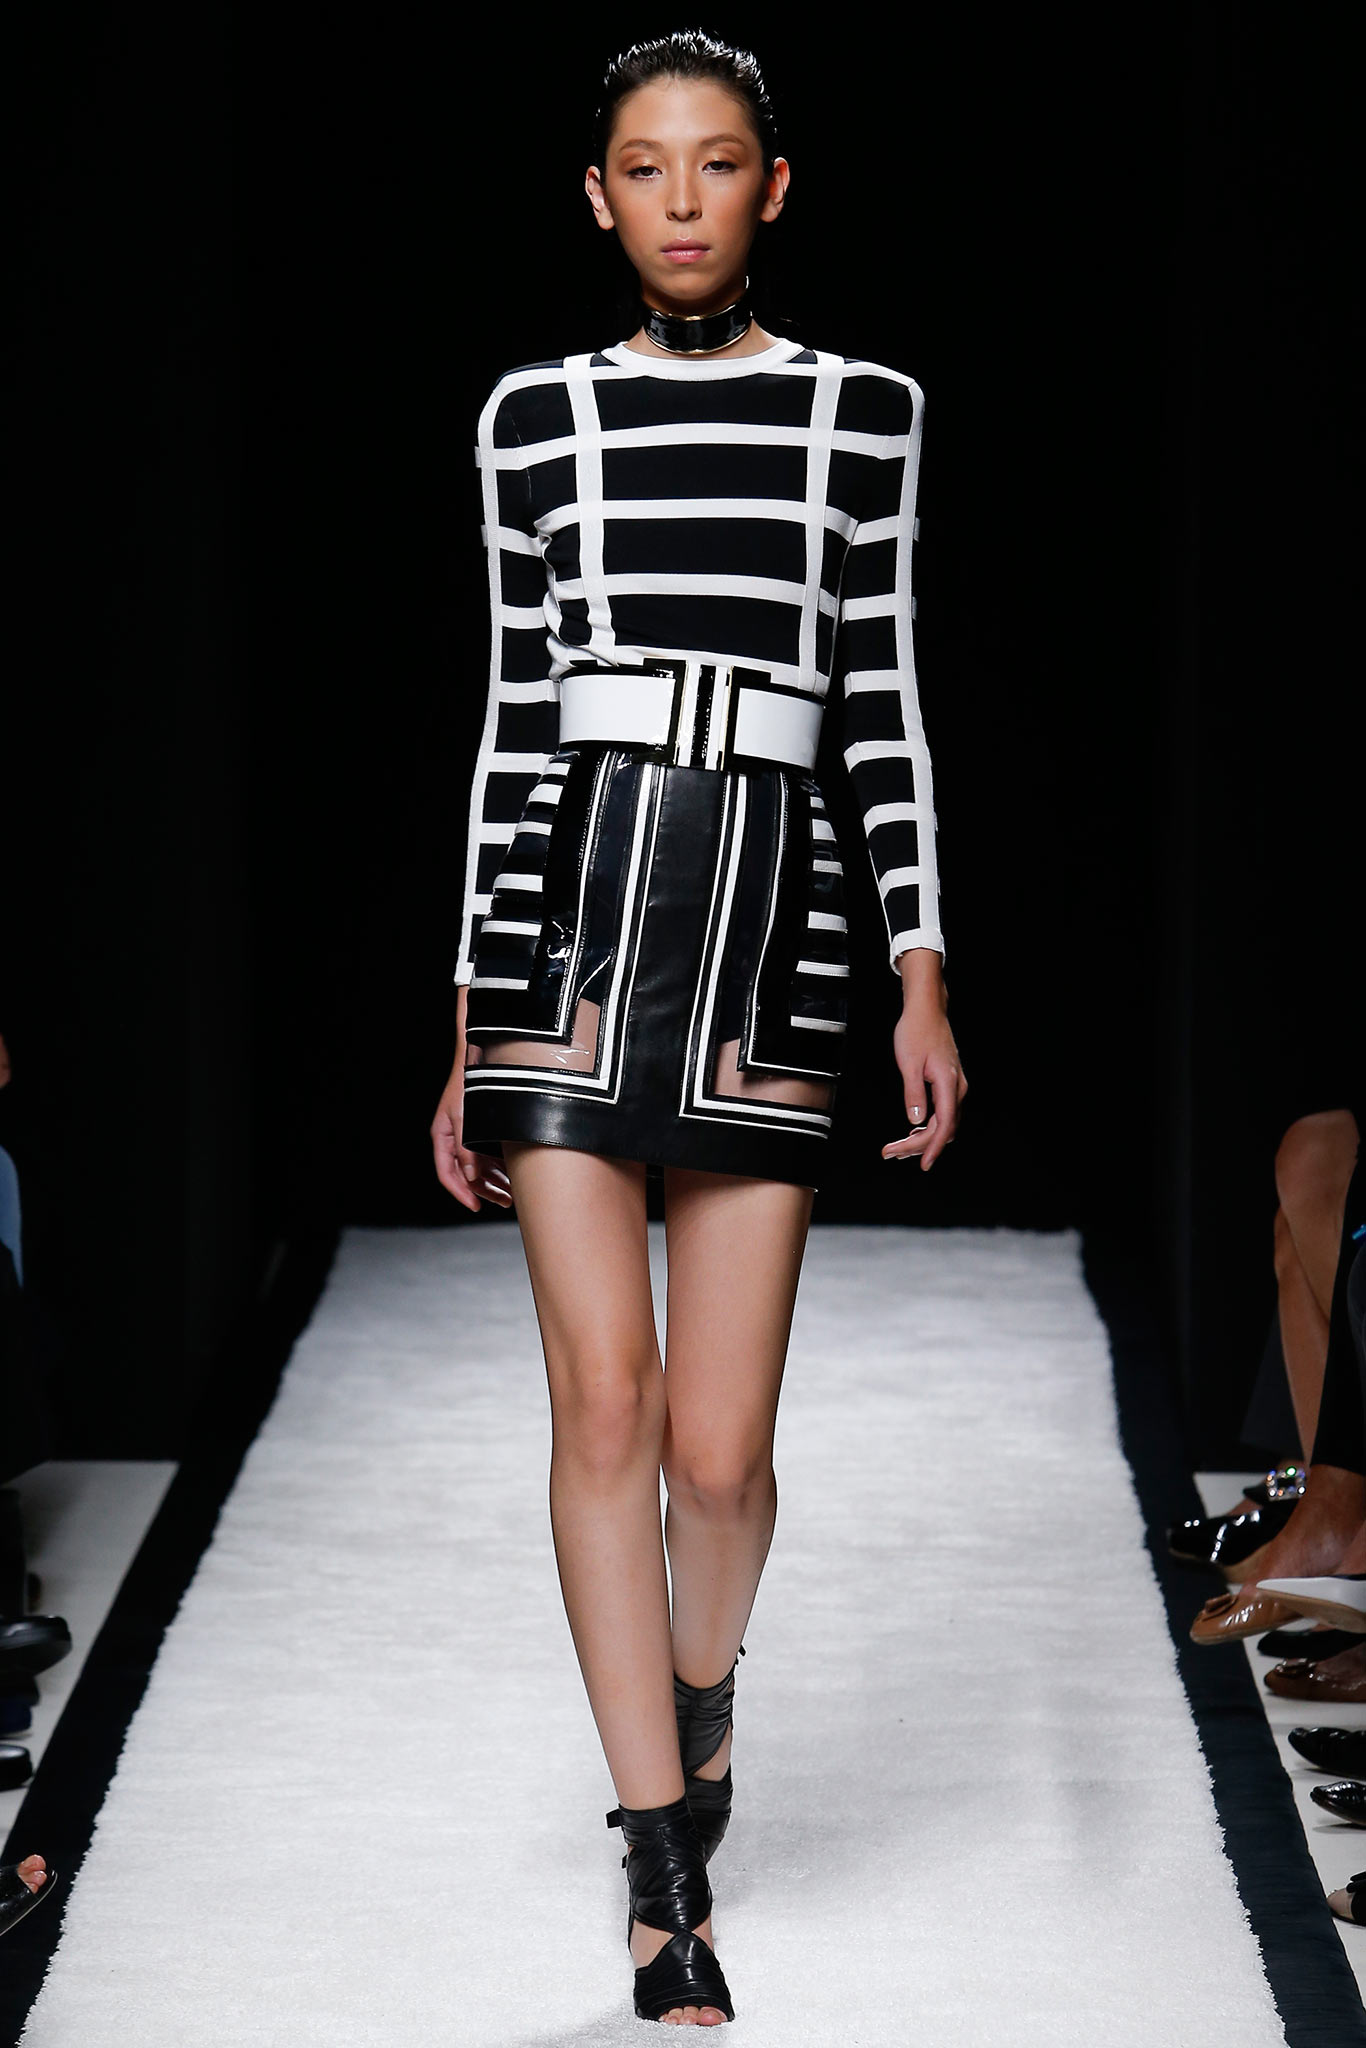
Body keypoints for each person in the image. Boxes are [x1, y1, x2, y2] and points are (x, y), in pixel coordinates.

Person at [430, 30, 966, 2027]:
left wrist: (918, 967)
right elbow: (509, 715)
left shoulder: (859, 415)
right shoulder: (531, 419)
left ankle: (699, 1690)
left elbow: (881, 700)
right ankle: (662, 1870)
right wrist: (468, 1008)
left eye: (714, 162)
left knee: (721, 1460)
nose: (678, 198)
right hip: (568, 918)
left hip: (772, 929)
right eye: (643, 167)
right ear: (597, 197)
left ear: (771, 184)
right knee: (606, 1411)